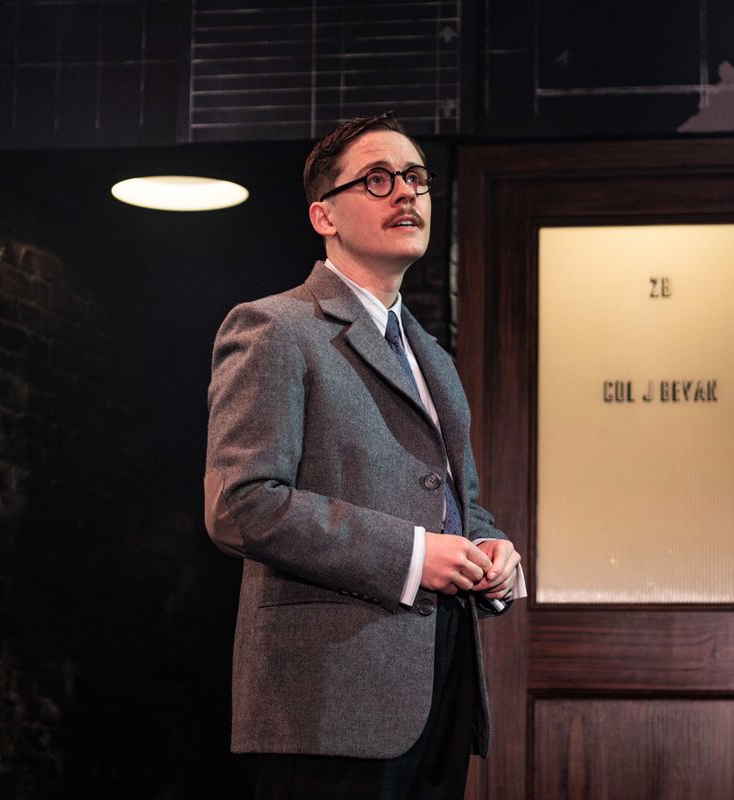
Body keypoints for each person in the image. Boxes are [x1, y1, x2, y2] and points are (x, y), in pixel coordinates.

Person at [204, 111, 524, 800]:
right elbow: (242, 505)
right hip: (328, 704)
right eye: (378, 179)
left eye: (415, 178)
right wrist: (414, 556)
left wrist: (491, 550)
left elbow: (453, 500)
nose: (406, 193)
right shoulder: (274, 327)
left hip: (438, 688)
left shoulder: (430, 354)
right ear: (324, 214)